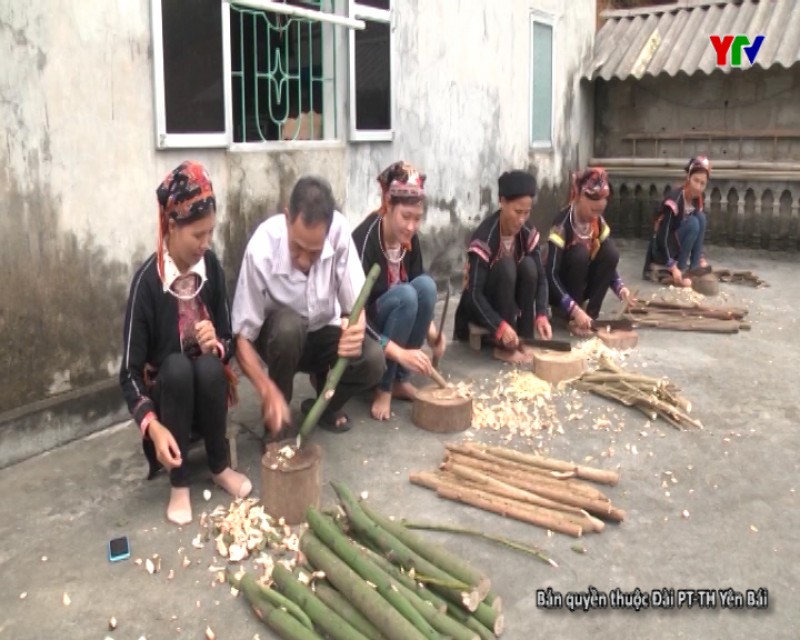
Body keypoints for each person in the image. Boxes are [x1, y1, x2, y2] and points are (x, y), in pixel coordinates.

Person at [120, 161, 251, 526]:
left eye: (210, 233)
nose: (205, 244)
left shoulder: (210, 267)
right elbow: (128, 375)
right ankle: (179, 483)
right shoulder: (147, 282)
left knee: (209, 365)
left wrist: (217, 344)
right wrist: (151, 425)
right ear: (172, 227)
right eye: (197, 235)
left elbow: (229, 337)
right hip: (169, 408)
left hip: (206, 401)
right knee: (176, 367)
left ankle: (218, 465)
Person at [232, 175, 385, 435]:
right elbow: (241, 338)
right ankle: (277, 420)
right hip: (280, 340)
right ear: (287, 217)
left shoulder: (339, 232)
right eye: (297, 247)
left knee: (373, 360)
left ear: (328, 230)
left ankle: (323, 407)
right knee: (288, 328)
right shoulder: (262, 246)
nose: (303, 261)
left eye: (314, 252)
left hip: (323, 332)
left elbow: (355, 307)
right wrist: (267, 391)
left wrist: (354, 330)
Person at [352, 161, 446, 421]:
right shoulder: (364, 241)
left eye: (417, 219)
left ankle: (399, 379)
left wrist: (434, 336)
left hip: (396, 320)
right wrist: (399, 352)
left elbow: (420, 287)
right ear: (387, 205)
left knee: (425, 287)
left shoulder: (409, 238)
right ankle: (383, 385)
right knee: (405, 296)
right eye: (405, 217)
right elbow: (355, 316)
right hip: (366, 334)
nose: (412, 227)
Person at [454, 170, 552, 364]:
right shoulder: (484, 237)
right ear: (502, 202)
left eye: (527, 212)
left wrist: (541, 314)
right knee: (506, 265)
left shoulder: (527, 232)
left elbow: (541, 278)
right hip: (484, 307)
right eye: (517, 212)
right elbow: (474, 295)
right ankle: (503, 347)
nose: (522, 219)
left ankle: (524, 337)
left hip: (510, 302)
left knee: (530, 266)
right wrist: (499, 326)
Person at [546, 167, 631, 337]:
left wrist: (620, 288)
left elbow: (608, 262)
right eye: (593, 210)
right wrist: (573, 309)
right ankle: (571, 317)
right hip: (561, 293)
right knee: (579, 254)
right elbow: (550, 273)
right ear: (579, 197)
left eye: (600, 211)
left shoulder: (597, 222)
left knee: (610, 251)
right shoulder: (562, 225)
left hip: (584, 286)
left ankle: (591, 316)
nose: (596, 216)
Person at [643, 156, 712, 287]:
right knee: (693, 223)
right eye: (696, 181)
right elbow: (662, 236)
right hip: (662, 249)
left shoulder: (698, 199)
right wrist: (672, 267)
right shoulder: (674, 199)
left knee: (701, 218)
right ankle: (681, 269)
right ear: (688, 178)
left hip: (678, 244)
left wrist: (700, 255)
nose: (698, 187)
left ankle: (695, 266)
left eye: (702, 183)